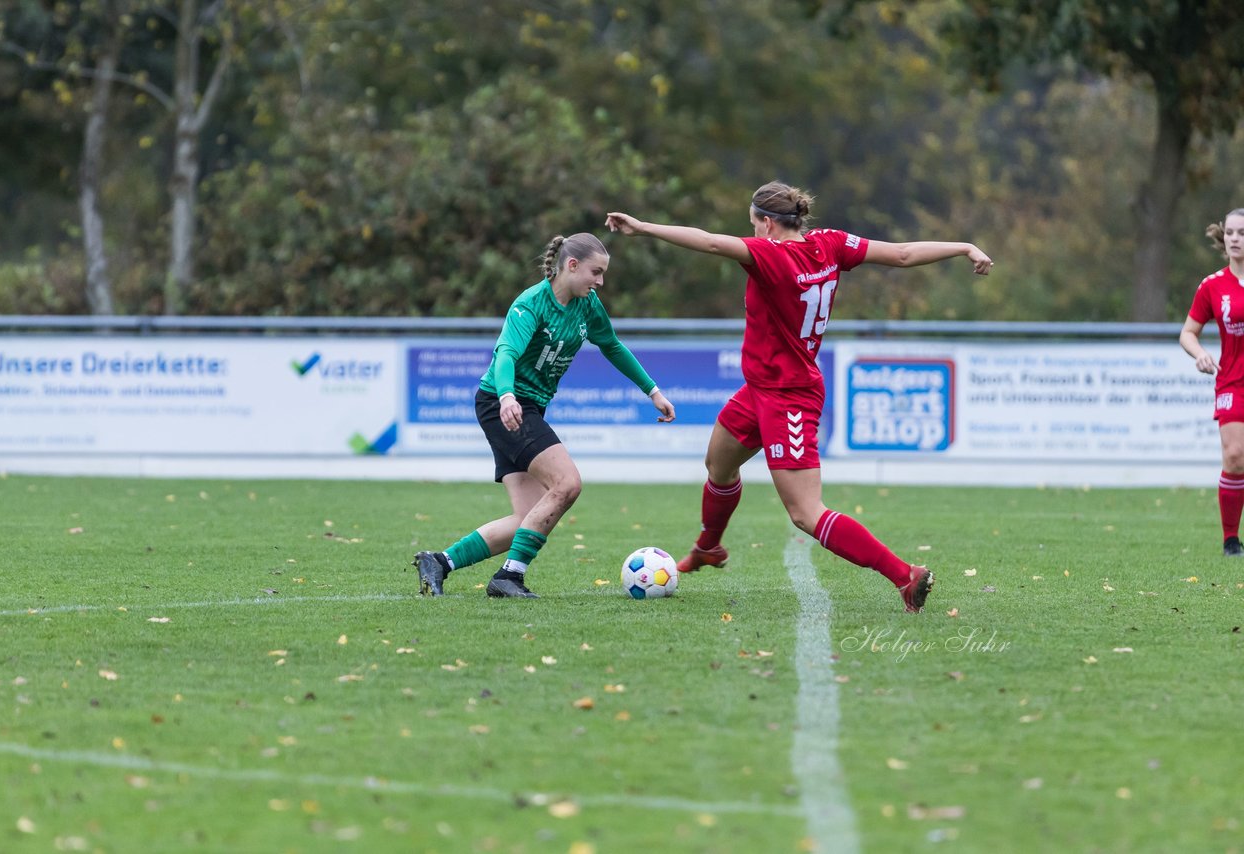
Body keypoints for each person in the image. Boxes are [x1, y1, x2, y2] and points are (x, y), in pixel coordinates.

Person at [605, 181, 992, 612]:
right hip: (760, 388)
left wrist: (643, 227)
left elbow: (711, 243)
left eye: (753, 225)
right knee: (719, 463)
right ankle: (708, 547)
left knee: (806, 513)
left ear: (768, 224)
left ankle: (905, 576)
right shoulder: (830, 243)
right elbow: (901, 255)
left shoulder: (771, 255)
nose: (749, 234)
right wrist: (963, 246)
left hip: (790, 395)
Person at [415, 233, 676, 598]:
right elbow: (505, 353)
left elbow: (612, 345)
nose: (600, 281)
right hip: (502, 403)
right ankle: (509, 577)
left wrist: (653, 391)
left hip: (527, 407)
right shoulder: (531, 304)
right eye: (595, 272)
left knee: (527, 519)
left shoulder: (588, 305)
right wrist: (507, 396)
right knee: (567, 483)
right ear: (571, 266)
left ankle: (439, 562)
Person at [1179, 207, 1244, 557]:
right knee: (1234, 455)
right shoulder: (1213, 285)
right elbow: (1187, 333)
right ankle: (1231, 540)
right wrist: (1200, 354)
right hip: (1232, 381)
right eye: (1231, 232)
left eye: (1242, 233)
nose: (1235, 238)